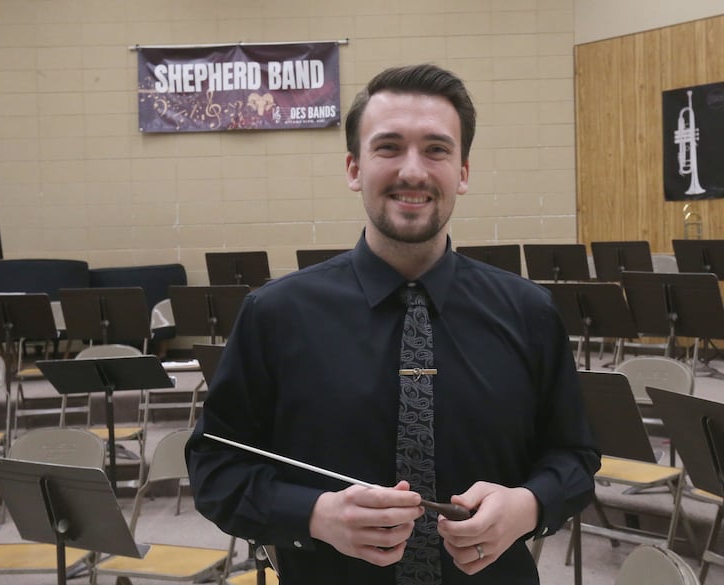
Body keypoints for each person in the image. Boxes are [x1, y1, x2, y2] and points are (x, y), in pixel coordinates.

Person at [186, 63, 600, 584]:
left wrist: (529, 506)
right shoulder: (275, 315)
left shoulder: (530, 312)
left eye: (436, 149)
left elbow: (575, 458)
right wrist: (314, 516)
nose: (412, 171)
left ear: (463, 172)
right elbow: (216, 468)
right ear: (354, 168)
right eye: (388, 147)